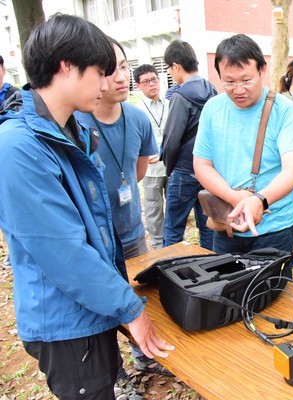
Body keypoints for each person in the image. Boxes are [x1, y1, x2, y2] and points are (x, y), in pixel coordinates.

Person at [0, 14, 173, 399]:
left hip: (90, 311)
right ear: (66, 66)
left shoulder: (71, 132)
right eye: (99, 71)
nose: (108, 82)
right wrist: (131, 309)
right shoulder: (19, 147)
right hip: (65, 322)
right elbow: (63, 253)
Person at [75, 39, 171, 397]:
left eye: (124, 66)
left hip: (132, 232)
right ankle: (113, 374)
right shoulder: (77, 121)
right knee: (101, 306)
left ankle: (143, 354)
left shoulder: (137, 118)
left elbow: (141, 170)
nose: (120, 76)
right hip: (94, 241)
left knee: (139, 296)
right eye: (109, 68)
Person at [193, 34, 293, 256]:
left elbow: (292, 171)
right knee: (224, 287)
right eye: (229, 81)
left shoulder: (285, 111)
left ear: (262, 70)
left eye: (246, 80)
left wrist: (259, 200)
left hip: (275, 227)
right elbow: (202, 165)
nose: (238, 89)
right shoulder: (212, 109)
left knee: (273, 290)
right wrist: (233, 197)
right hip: (226, 223)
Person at [162, 40, 217, 249]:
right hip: (209, 171)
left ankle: (167, 271)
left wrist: (169, 169)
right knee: (208, 227)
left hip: (184, 170)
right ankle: (209, 270)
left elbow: (171, 138)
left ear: (176, 66)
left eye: (169, 68)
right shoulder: (211, 90)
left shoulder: (181, 95)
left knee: (173, 229)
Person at [134, 64, 169, 249]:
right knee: (153, 210)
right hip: (151, 170)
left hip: (171, 166)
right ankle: (157, 246)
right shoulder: (137, 111)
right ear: (138, 85)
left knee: (172, 208)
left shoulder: (170, 103)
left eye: (154, 79)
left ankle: (173, 243)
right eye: (146, 81)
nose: (152, 84)